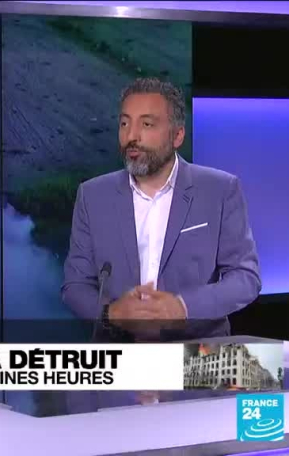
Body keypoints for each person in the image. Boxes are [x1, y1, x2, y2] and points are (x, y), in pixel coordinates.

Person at [60, 77, 262, 407]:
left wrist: (183, 307)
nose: (132, 136)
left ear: (177, 135)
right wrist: (111, 313)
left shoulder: (220, 190)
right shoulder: (92, 195)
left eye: (147, 124)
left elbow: (246, 278)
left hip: (203, 365)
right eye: (124, 123)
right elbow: (74, 286)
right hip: (117, 368)